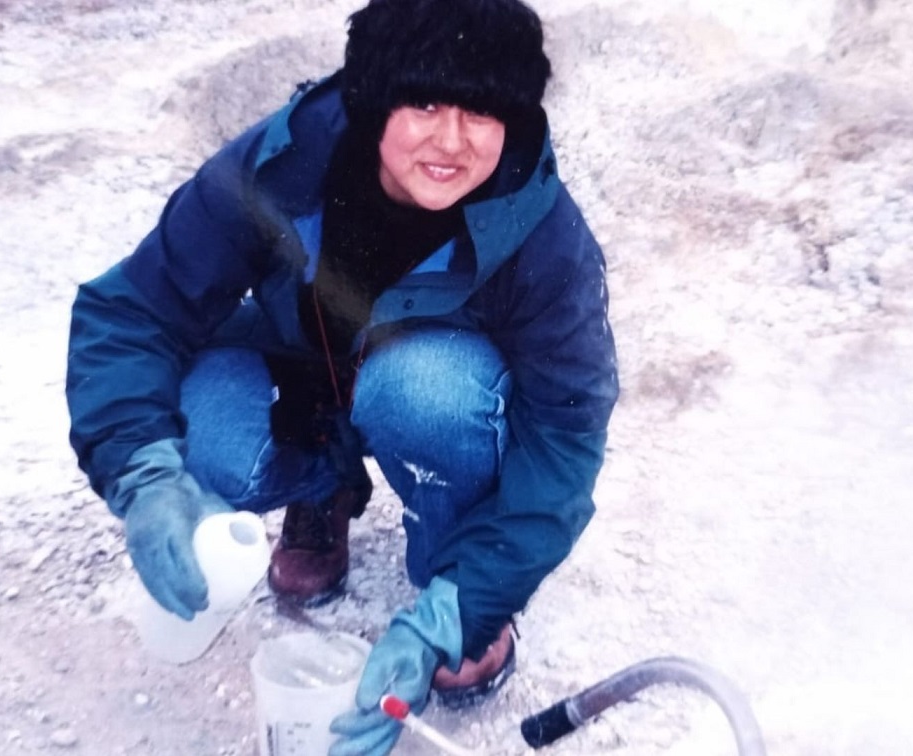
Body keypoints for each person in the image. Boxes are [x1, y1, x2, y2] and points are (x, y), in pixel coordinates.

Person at [65, 0, 617, 752]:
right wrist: (141, 474)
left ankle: (452, 579)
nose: (451, 142)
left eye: (483, 112)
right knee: (191, 428)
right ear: (373, 97)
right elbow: (132, 310)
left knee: (428, 392)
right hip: (309, 381)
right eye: (424, 103)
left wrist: (455, 615)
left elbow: (564, 440)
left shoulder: (546, 239)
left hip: (425, 394)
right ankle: (321, 491)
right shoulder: (280, 167)